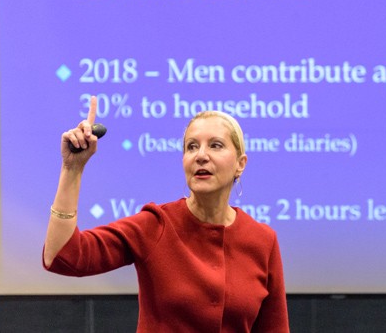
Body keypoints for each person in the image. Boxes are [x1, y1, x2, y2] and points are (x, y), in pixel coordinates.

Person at [43, 96, 289, 332]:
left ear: (240, 164)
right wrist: (72, 168)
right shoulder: (156, 225)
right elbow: (64, 256)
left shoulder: (262, 241)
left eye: (215, 145)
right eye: (192, 146)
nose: (201, 155)